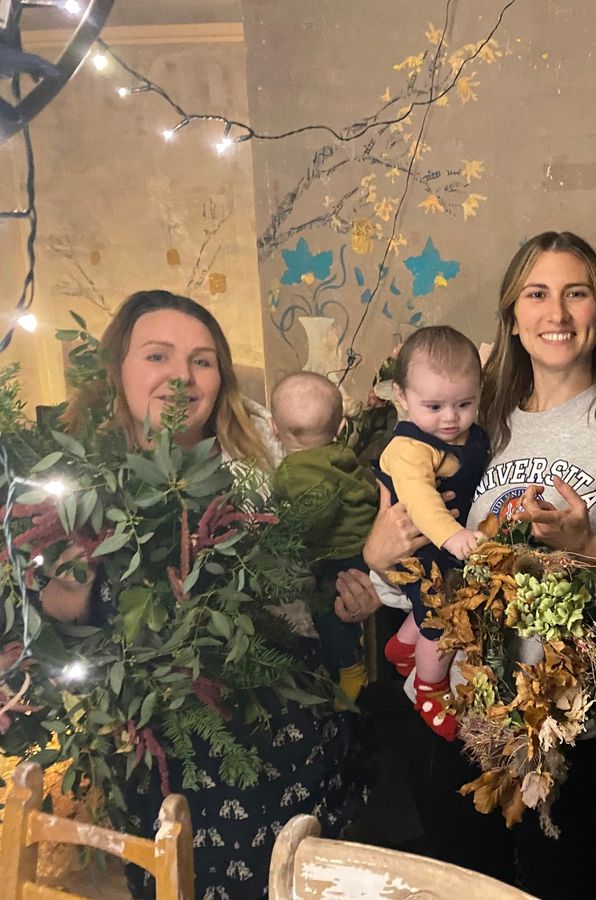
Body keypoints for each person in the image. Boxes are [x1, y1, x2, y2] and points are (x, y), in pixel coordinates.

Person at [358, 232, 596, 898]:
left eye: (577, 293)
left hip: (574, 737)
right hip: (453, 721)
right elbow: (403, 583)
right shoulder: (474, 426)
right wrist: (375, 559)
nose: (557, 314)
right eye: (536, 295)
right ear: (512, 316)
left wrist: (593, 555)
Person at [39, 290, 367, 900]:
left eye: (202, 360)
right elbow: (58, 635)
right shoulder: (79, 490)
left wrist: (342, 596)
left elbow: (296, 597)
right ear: (119, 369)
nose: (181, 377)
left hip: (281, 747)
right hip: (167, 766)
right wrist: (65, 589)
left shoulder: (254, 473)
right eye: (157, 356)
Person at [374, 325, 490, 742]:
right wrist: (453, 536)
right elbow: (421, 500)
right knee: (440, 618)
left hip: (446, 546)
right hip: (427, 545)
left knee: (431, 606)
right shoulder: (409, 448)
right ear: (401, 397)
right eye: (434, 405)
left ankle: (401, 646)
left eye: (465, 403)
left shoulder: (464, 432)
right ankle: (430, 685)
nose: (450, 417)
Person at [271, 370, 377, 702]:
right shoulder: (342, 456)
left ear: (274, 430)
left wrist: (283, 529)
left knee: (328, 612)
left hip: (338, 555)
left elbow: (313, 513)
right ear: (341, 428)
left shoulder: (292, 472)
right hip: (367, 545)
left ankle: (350, 668)